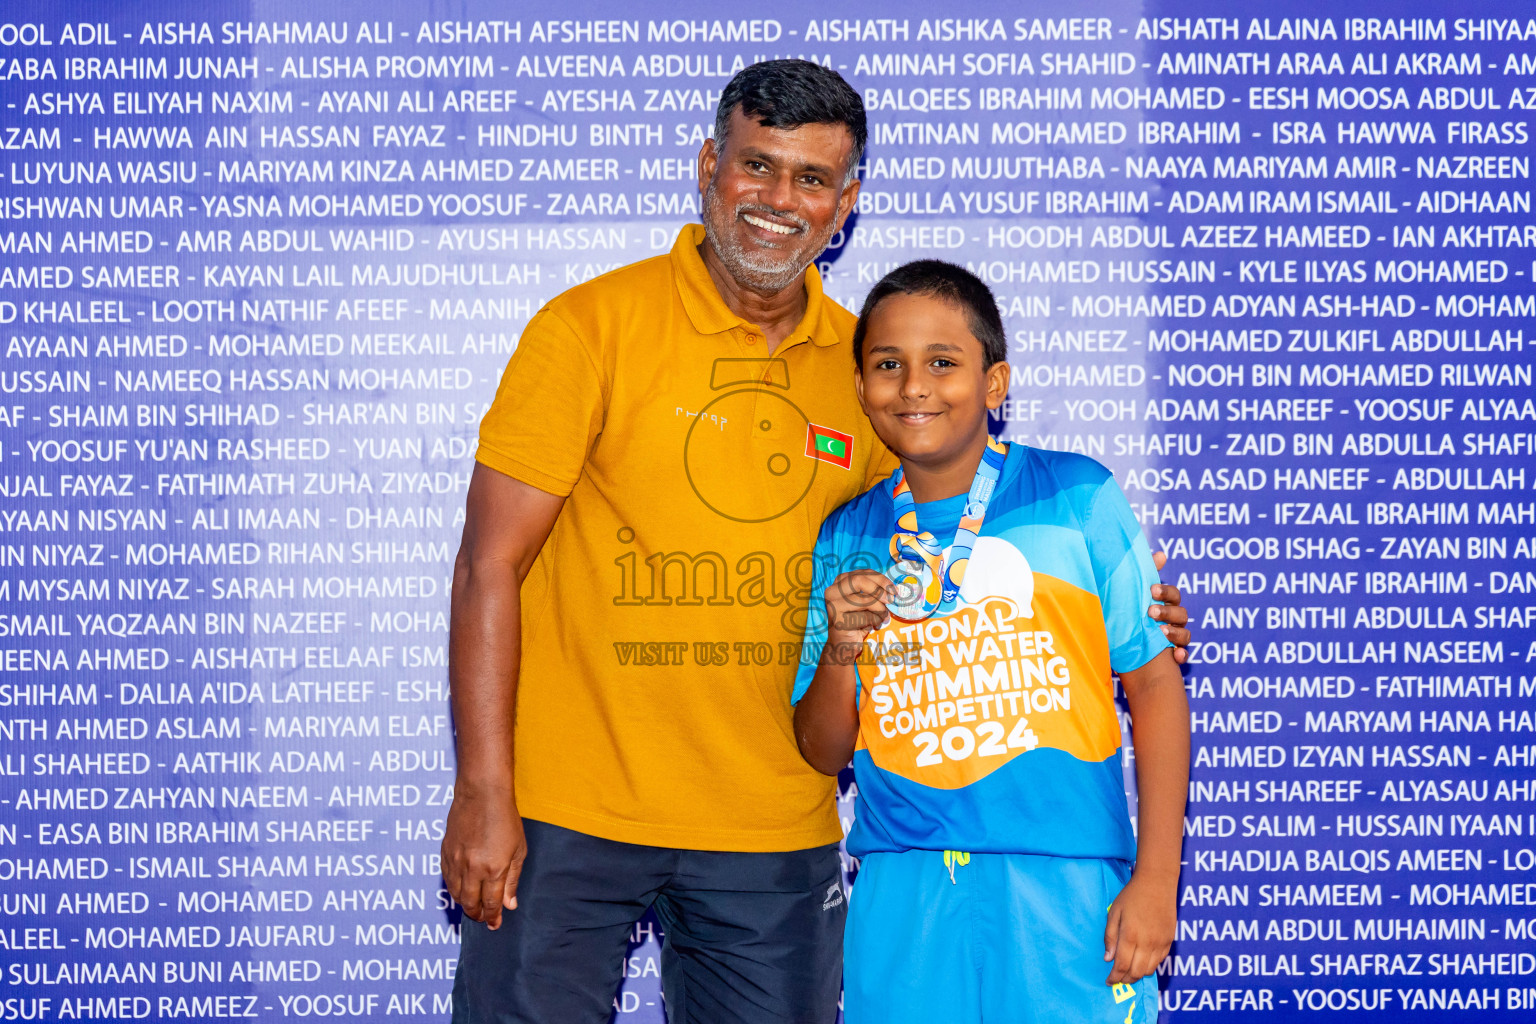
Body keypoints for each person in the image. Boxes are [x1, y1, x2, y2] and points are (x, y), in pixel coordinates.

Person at [443, 61, 1190, 1024]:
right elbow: (487, 564)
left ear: (847, 203)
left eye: (810, 178)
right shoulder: (589, 328)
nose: (778, 200)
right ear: (711, 165)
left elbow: (955, 532)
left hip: (774, 828)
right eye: (758, 166)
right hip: (567, 816)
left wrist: (1125, 602)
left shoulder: (868, 370)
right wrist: (484, 790)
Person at [792, 261, 1189, 1024]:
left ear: (995, 382)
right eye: (887, 365)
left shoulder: (1078, 495)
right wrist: (841, 645)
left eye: (944, 362)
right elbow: (821, 750)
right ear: (862, 387)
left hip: (1067, 891)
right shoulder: (849, 533)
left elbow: (1157, 690)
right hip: (903, 896)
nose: (914, 387)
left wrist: (1156, 880)